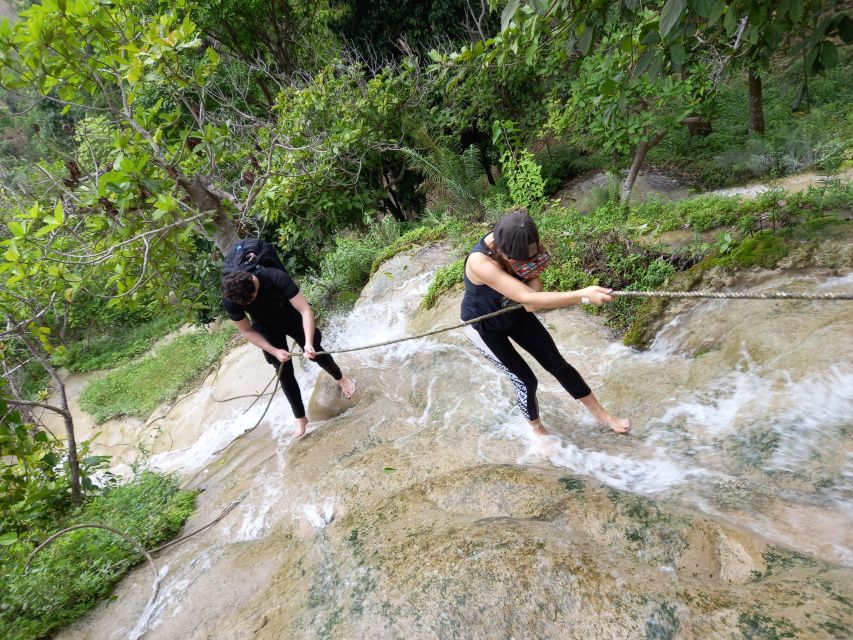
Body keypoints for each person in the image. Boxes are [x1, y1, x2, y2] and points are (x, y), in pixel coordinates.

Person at [461, 209, 630, 436]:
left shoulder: (523, 240)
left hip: (517, 313)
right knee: (525, 380)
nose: (524, 263)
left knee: (556, 363)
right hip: (484, 327)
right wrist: (584, 295)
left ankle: (602, 415)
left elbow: (531, 304)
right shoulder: (480, 262)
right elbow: (529, 298)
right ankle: (537, 429)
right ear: (501, 250)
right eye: (519, 261)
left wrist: (533, 273)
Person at [221, 268, 356, 438]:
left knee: (316, 351)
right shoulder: (232, 300)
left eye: (252, 298)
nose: (249, 303)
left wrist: (307, 344)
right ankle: (300, 417)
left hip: (290, 315)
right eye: (245, 303)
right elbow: (248, 332)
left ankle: (341, 379)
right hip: (265, 327)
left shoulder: (274, 276)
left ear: (254, 282)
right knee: (283, 370)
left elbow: (305, 310)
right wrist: (275, 351)